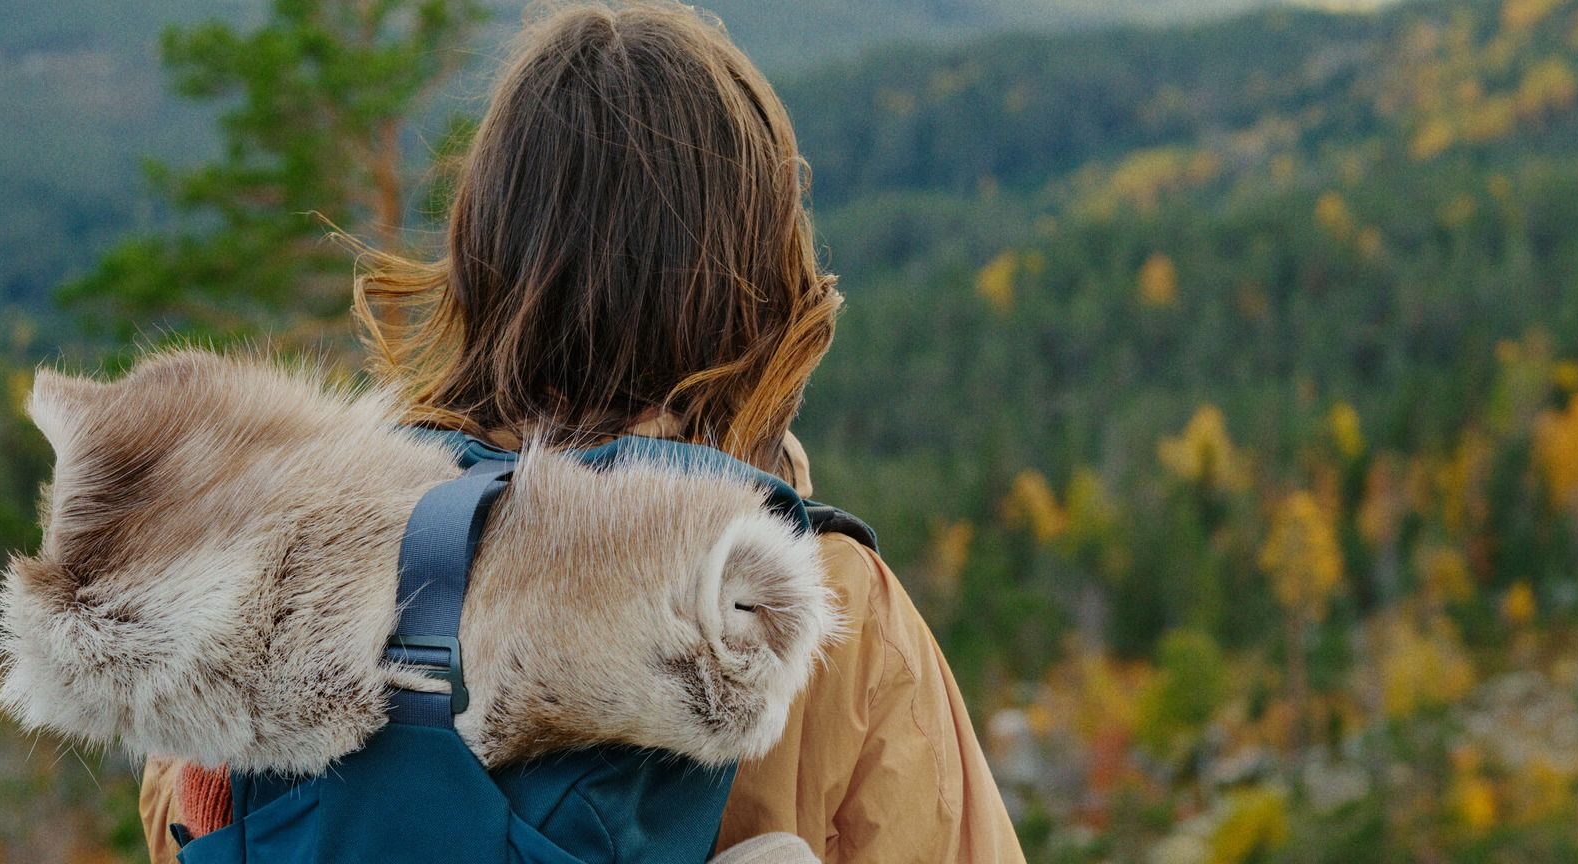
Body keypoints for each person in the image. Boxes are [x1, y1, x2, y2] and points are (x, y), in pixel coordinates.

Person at [137, 3, 1025, 861]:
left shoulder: (301, 561)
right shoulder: (807, 600)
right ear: (754, 282)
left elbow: (189, 824)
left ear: (484, 244)